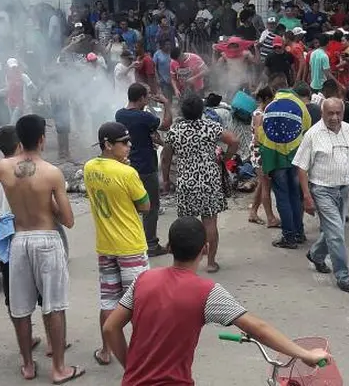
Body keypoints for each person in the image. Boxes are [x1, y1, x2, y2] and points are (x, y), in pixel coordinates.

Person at [102, 217, 331, 384]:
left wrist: (131, 368)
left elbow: (110, 327)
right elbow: (258, 328)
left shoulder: (144, 279)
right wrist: (306, 354)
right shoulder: (207, 292)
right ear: (205, 249)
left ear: (170, 248)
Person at [0, 115, 82, 383]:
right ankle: (59, 368)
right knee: (54, 306)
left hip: (19, 240)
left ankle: (27, 365)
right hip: (47, 240)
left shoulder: (3, 168)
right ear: (41, 139)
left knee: (20, 307)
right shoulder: (51, 172)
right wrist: (48, 205)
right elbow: (69, 220)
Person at [83, 122, 152, 366]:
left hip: (106, 246)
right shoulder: (127, 173)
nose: (129, 146)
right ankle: (142, 355)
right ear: (108, 145)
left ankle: (106, 350)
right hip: (131, 246)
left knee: (109, 302)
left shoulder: (89, 167)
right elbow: (145, 205)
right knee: (138, 304)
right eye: (124, 142)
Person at [294, 98, 349, 293]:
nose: (334, 117)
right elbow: (301, 167)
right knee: (337, 234)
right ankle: (343, 276)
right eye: (330, 113)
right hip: (322, 190)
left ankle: (316, 255)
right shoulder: (313, 134)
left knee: (335, 230)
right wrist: (307, 196)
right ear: (322, 113)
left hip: (343, 189)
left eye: (338, 113)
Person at [161, 94, 239, 272]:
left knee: (186, 224)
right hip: (209, 180)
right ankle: (210, 262)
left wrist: (165, 180)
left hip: (186, 181)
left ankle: (184, 262)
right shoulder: (210, 127)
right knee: (210, 222)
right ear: (201, 111)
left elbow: (166, 158)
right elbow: (234, 140)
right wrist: (225, 158)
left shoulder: (175, 131)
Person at [115, 83, 173, 257]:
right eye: (147, 95)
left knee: (129, 206)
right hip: (146, 166)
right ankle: (151, 244)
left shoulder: (119, 114)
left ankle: (130, 241)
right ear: (140, 98)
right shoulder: (145, 117)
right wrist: (166, 104)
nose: (149, 98)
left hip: (127, 165)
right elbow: (166, 124)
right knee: (151, 206)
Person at [258, 77, 312, 248]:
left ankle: (288, 237)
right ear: (289, 88)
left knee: (282, 197)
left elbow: (263, 137)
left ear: (274, 91)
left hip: (276, 158)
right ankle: (299, 232)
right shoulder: (300, 105)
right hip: (296, 157)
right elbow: (306, 129)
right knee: (296, 195)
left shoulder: (269, 107)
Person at [248, 86, 279, 227]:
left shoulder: (260, 112)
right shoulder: (259, 114)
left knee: (262, 184)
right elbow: (258, 137)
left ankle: (253, 212)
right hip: (260, 152)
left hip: (259, 151)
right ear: (266, 99)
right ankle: (271, 218)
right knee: (266, 185)